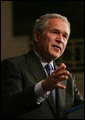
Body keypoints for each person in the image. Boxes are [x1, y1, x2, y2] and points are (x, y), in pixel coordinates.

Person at [1, 13, 84, 119]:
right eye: (55, 32)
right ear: (36, 36)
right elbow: (7, 107)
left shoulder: (67, 77)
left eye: (65, 36)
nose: (60, 39)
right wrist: (43, 88)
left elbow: (80, 110)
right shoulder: (13, 66)